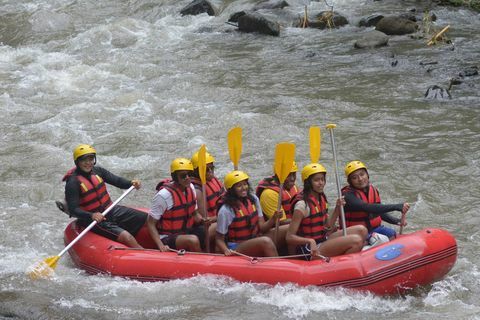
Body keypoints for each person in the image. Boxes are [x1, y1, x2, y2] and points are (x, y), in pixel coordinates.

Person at [63, 144, 147, 248]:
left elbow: (117, 181)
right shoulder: (73, 182)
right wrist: (91, 215)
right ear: (77, 162)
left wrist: (131, 183)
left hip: (110, 210)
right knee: (127, 237)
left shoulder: (98, 171)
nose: (88, 163)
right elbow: (73, 209)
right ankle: (145, 254)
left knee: (146, 218)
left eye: (91, 159)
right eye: (84, 160)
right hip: (93, 220)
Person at [286, 163, 367, 259]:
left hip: (322, 239)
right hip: (309, 250)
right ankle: (342, 266)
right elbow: (289, 237)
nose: (321, 183)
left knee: (362, 230)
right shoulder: (302, 205)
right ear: (308, 182)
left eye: (322, 179)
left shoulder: (321, 198)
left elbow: (328, 227)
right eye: (316, 180)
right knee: (356, 240)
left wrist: (337, 208)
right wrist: (310, 241)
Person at [216, 170, 280, 257]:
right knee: (266, 241)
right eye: (239, 186)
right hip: (237, 246)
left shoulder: (253, 199)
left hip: (255, 238)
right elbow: (219, 239)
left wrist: (274, 218)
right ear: (231, 190)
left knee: (286, 229)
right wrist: (226, 251)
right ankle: (278, 267)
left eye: (245, 184)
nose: (244, 188)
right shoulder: (226, 210)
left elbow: (262, 227)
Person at [147, 158, 205, 253]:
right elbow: (150, 223)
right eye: (183, 176)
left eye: (189, 174)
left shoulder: (191, 187)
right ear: (175, 177)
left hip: (186, 231)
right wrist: (160, 245)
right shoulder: (164, 195)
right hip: (167, 236)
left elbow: (195, 214)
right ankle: (201, 261)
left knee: (213, 229)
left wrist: (203, 220)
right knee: (193, 240)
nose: (187, 178)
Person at [342, 160, 410, 240]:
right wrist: (396, 207)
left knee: (392, 234)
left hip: (373, 229)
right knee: (379, 239)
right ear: (350, 182)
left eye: (362, 174)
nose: (360, 179)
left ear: (367, 175)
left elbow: (378, 212)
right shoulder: (347, 196)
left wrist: (397, 221)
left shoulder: (373, 190)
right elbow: (367, 207)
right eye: (354, 177)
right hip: (356, 233)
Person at [190, 150, 225, 251]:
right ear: (197, 171)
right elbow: (204, 220)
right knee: (223, 223)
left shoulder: (213, 180)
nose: (210, 171)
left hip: (217, 220)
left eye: (212, 168)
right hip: (202, 229)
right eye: (206, 169)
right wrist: (223, 217)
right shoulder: (197, 190)